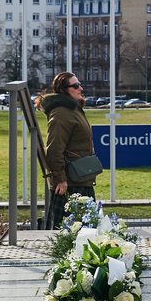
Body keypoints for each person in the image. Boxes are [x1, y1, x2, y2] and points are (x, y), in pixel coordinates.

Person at [40, 71, 100, 230]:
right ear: (64, 90)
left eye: (79, 84)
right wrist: (60, 179)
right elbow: (54, 149)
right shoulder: (61, 113)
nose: (80, 88)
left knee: (87, 234)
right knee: (66, 235)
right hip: (70, 185)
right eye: (75, 85)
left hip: (81, 179)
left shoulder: (73, 109)